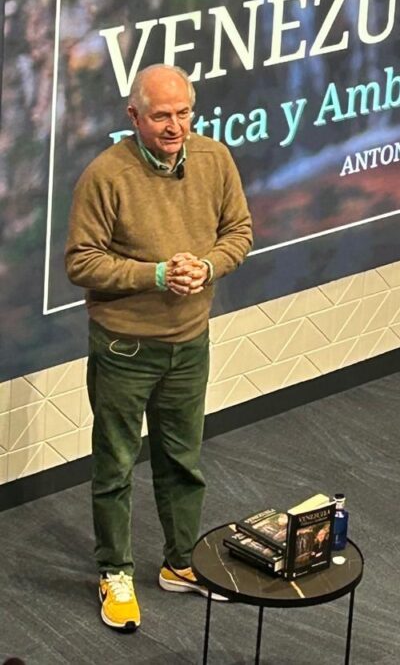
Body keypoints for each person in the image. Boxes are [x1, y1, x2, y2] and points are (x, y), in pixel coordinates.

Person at [65, 64, 253, 632]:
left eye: (183, 113)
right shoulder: (105, 175)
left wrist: (209, 265)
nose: (175, 126)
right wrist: (156, 276)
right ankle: (114, 573)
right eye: (161, 116)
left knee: (183, 461)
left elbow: (238, 232)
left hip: (190, 342)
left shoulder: (215, 159)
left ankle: (180, 563)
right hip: (124, 346)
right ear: (134, 117)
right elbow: (81, 261)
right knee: (116, 465)